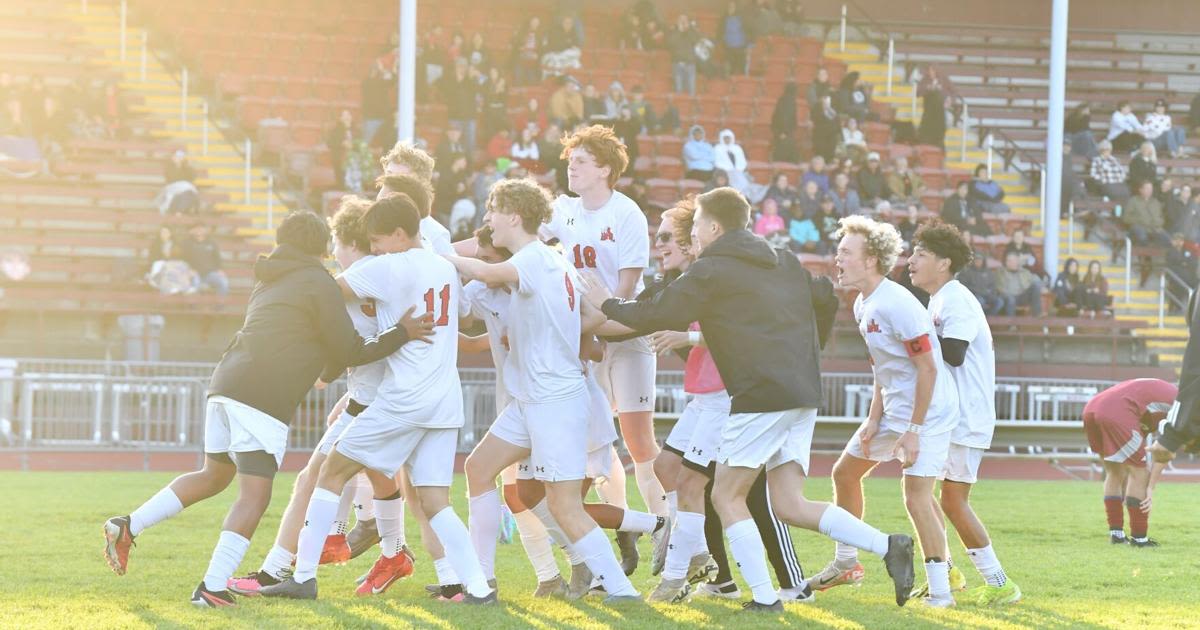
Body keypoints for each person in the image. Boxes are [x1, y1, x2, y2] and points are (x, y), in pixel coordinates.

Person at [586, 188, 918, 612]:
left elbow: (657, 314)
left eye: (699, 226)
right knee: (789, 503)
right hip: (801, 392)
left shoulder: (711, 268)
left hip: (760, 395)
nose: (695, 236)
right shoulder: (784, 260)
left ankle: (764, 598)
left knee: (726, 495)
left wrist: (605, 301)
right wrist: (804, 351)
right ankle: (889, 545)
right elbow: (824, 296)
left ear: (713, 227)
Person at [101, 211, 424, 607]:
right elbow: (349, 350)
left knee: (212, 475)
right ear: (321, 246)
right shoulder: (318, 282)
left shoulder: (270, 277)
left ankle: (128, 524)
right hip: (261, 398)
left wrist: (322, 366)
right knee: (253, 497)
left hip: (224, 383)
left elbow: (301, 338)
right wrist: (403, 332)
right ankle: (212, 587)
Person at [259, 195, 494, 604]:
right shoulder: (443, 266)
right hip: (445, 400)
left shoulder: (390, 266)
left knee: (330, 473)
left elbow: (325, 290)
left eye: (378, 240)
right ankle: (476, 588)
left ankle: (303, 577)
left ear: (400, 234)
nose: (374, 249)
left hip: (404, 398)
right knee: (437, 501)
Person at [445, 178, 641, 604]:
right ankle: (482, 584)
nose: (488, 222)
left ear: (514, 215)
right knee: (479, 470)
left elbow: (486, 270)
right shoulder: (552, 260)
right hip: (531, 399)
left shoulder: (535, 258)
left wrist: (435, 254)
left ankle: (622, 590)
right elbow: (586, 318)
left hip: (555, 401)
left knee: (565, 506)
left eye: (492, 212)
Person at [225, 196, 422, 598]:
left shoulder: (354, 277)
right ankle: (393, 552)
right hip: (375, 395)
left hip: (374, 400)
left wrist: (325, 371)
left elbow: (334, 329)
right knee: (379, 476)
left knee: (313, 479)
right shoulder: (384, 273)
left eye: (335, 240)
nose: (331, 251)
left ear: (347, 241)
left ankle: (278, 571)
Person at [813, 215, 958, 608]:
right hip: (893, 412)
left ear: (872, 259)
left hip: (928, 414)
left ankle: (942, 593)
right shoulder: (863, 303)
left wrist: (913, 428)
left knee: (916, 497)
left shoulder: (896, 303)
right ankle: (847, 564)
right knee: (845, 472)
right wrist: (874, 418)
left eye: (845, 252)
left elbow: (928, 367)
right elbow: (881, 367)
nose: (837, 258)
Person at [905, 220, 1022, 606]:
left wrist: (909, 339)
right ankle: (949, 572)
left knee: (950, 499)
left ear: (944, 262)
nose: (911, 260)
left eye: (921, 254)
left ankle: (1000, 582)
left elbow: (953, 352)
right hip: (951, 415)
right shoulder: (938, 299)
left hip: (966, 417)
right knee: (923, 493)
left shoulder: (956, 298)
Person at [1082, 379, 1178, 547]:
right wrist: (1150, 487)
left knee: (1115, 472)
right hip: (1117, 411)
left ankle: (1117, 535)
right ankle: (1139, 539)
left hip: (1092, 407)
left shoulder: (1173, 396)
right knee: (1139, 473)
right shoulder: (1185, 408)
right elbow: (1165, 450)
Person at [180, 223, 229, 296]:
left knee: (223, 282)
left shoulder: (211, 243)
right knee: (194, 285)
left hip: (209, 273)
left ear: (205, 230)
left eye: (201, 228)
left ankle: (219, 306)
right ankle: (194, 307)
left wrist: (220, 269)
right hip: (194, 273)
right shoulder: (187, 243)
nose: (199, 230)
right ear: (192, 230)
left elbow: (217, 258)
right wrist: (189, 270)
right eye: (196, 228)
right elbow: (183, 259)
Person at [994, 251, 1043, 317]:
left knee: (1036, 285)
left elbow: (1037, 280)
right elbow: (998, 287)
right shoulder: (1001, 272)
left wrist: (1042, 285)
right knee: (1011, 299)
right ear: (1006, 263)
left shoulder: (1024, 272)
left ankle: (1037, 314)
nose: (1013, 263)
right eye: (1010, 261)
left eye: (1015, 261)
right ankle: (1011, 324)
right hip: (1007, 297)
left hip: (1021, 296)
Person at [1124, 180, 1169, 247]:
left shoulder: (1156, 202)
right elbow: (1126, 218)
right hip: (1139, 227)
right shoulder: (1133, 201)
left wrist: (1158, 222)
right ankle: (1144, 255)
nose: (1150, 190)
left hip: (1155, 228)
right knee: (1142, 237)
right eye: (1147, 188)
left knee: (1168, 239)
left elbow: (1161, 218)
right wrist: (1140, 220)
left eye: (1151, 189)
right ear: (1141, 190)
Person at [959, 249, 1003, 315]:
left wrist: (991, 293)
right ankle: (979, 318)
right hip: (974, 295)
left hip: (988, 295)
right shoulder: (966, 272)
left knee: (1000, 302)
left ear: (983, 261)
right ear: (972, 260)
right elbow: (964, 287)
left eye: (980, 259)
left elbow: (993, 286)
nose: (978, 261)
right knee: (980, 301)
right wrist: (977, 292)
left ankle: (988, 317)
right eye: (976, 259)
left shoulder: (989, 272)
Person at [667, 14, 699, 95]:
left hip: (690, 64)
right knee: (679, 91)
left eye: (684, 20)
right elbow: (671, 43)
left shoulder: (692, 31)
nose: (683, 22)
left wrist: (688, 30)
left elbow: (695, 41)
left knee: (691, 91)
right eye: (680, 20)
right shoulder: (673, 31)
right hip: (677, 64)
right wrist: (679, 31)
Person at [770, 82, 799, 162]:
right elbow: (785, 117)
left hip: (780, 130)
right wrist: (783, 132)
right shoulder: (789, 101)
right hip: (784, 131)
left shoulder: (782, 100)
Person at [719, 1, 748, 76]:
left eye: (732, 7)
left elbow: (746, 33)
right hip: (729, 48)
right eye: (729, 7)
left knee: (740, 70)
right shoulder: (723, 19)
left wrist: (745, 45)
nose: (730, 9)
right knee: (730, 70)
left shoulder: (742, 19)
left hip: (739, 48)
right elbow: (720, 33)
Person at [811, 93, 840, 162]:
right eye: (824, 100)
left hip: (831, 135)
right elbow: (815, 119)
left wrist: (828, 109)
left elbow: (837, 122)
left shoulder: (833, 110)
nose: (826, 103)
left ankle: (829, 159)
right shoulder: (817, 109)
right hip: (820, 134)